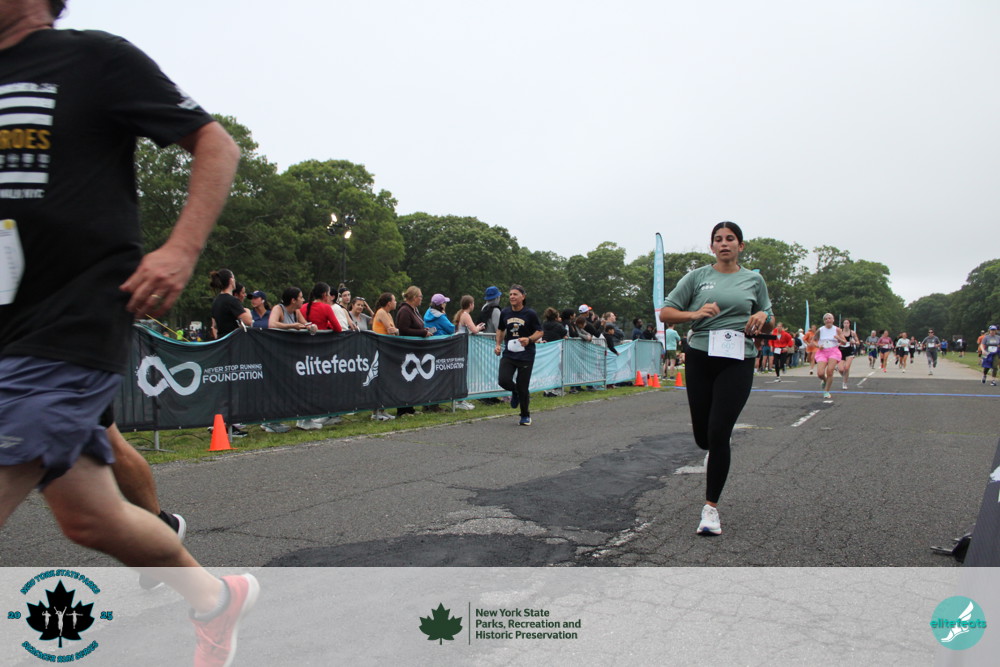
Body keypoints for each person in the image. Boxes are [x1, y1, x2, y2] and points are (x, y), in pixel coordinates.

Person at [0, 3, 257, 665]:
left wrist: (181, 249)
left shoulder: (93, 58)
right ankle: (215, 599)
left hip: (68, 324)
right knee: (90, 517)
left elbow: (217, 144)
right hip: (8, 328)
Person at [660, 221, 772, 536]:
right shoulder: (697, 277)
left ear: (740, 246)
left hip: (738, 357)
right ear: (712, 247)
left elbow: (768, 321)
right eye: (718, 239)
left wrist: (763, 316)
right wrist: (694, 315)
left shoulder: (754, 280)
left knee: (719, 432)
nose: (724, 243)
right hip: (701, 355)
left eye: (730, 239)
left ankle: (711, 509)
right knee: (704, 437)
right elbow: (666, 313)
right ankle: (714, 445)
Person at [495, 285, 543, 426]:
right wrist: (498, 344)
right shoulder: (505, 312)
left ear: (523, 296)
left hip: (526, 355)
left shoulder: (530, 313)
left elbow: (540, 332)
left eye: (515, 294)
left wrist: (529, 339)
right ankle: (515, 391)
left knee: (523, 386)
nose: (512, 297)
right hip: (509, 354)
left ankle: (525, 415)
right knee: (503, 380)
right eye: (510, 294)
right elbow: (500, 329)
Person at [369, 292, 398, 421]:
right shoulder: (381, 312)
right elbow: (391, 330)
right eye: (394, 300)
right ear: (389, 303)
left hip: (387, 350)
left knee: (385, 381)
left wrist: (395, 331)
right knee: (379, 381)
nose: (396, 302)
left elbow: (394, 330)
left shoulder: (388, 314)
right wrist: (395, 330)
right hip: (379, 349)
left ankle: (382, 410)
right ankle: (375, 413)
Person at [210, 269, 252, 338]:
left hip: (221, 340)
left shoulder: (216, 301)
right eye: (234, 278)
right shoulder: (232, 300)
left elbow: (214, 325)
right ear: (231, 280)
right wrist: (247, 310)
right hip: (232, 340)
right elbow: (248, 321)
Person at [814, 313, 845, 400]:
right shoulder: (820, 330)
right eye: (826, 319)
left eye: (829, 318)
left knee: (830, 371)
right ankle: (824, 380)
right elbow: (814, 341)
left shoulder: (837, 330)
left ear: (833, 320)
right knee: (820, 373)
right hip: (822, 352)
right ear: (824, 321)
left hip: (833, 351)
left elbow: (844, 342)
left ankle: (826, 391)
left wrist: (838, 338)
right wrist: (818, 346)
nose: (828, 320)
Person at [836, 318, 860, 390]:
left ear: (849, 324)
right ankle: (845, 377)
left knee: (846, 368)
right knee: (841, 369)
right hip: (841, 351)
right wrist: (838, 342)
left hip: (849, 351)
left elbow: (858, 342)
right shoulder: (839, 332)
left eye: (847, 323)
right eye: (845, 323)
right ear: (843, 324)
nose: (846, 324)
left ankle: (844, 382)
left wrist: (854, 342)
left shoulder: (852, 333)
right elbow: (835, 340)